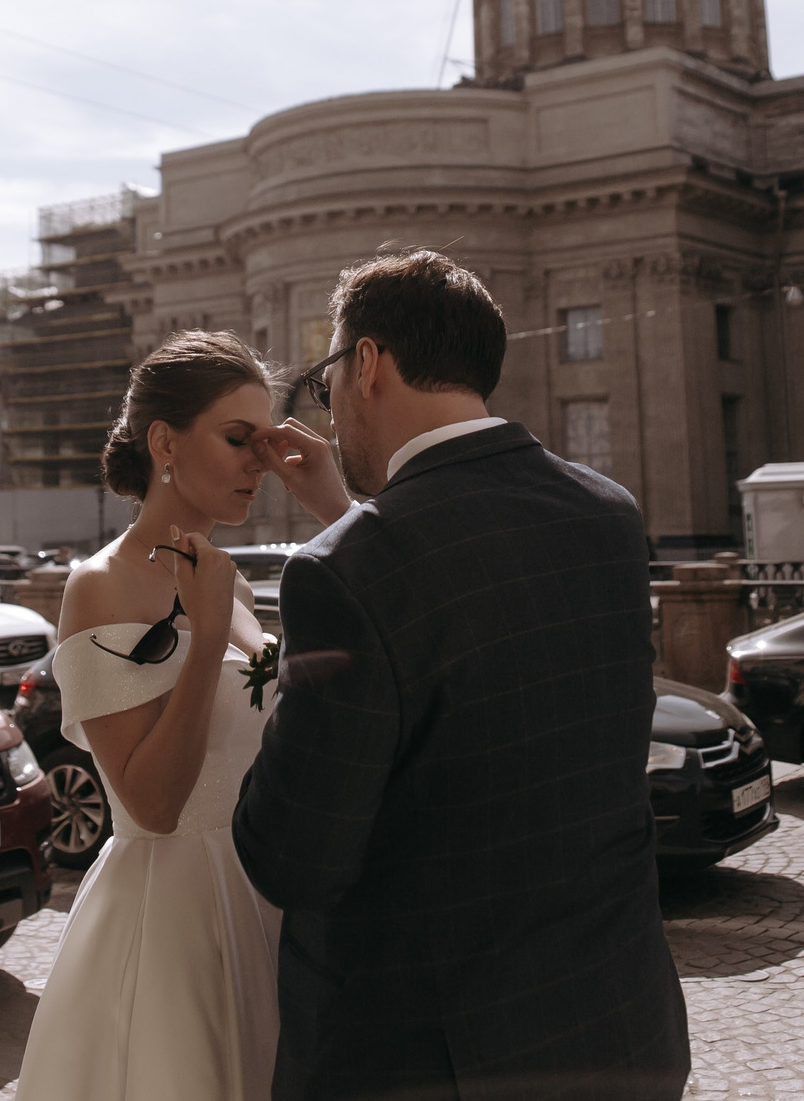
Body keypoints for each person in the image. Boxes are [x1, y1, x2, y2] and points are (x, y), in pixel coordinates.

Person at [236, 251, 687, 1101]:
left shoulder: (346, 571)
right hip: (618, 1029)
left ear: (366, 364)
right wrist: (352, 521)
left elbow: (293, 858)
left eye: (327, 376)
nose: (327, 408)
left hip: (431, 1063)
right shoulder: (608, 513)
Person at [11, 332, 283, 1101]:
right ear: (164, 441)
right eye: (238, 440)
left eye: (264, 442)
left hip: (264, 898)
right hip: (169, 914)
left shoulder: (233, 586)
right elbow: (152, 805)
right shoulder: (99, 586)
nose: (259, 464)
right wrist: (198, 650)